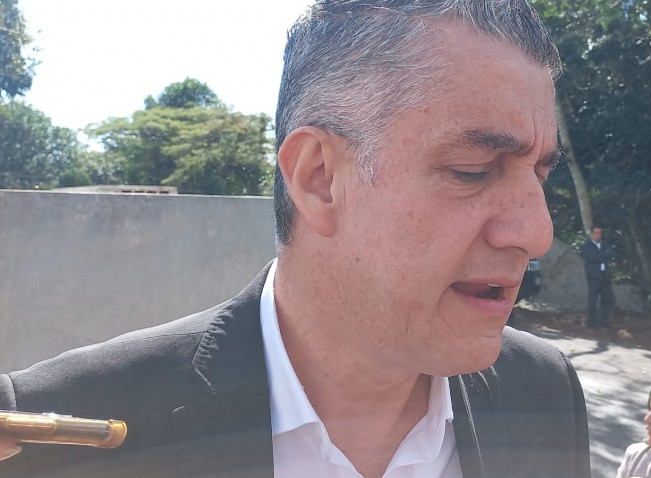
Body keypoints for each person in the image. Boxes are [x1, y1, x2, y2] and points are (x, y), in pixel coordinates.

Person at [0, 2, 592, 477]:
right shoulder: (58, 433)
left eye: (540, 174)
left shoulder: (545, 393)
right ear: (318, 178)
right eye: (473, 170)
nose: (537, 233)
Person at [580, 225, 615, 328]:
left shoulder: (605, 245)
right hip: (593, 276)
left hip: (605, 275)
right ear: (591, 234)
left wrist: (601, 256)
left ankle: (604, 321)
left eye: (599, 233)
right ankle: (592, 322)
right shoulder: (587, 246)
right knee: (593, 299)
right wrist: (603, 256)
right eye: (595, 233)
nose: (597, 235)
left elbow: (611, 254)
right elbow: (592, 257)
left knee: (606, 299)